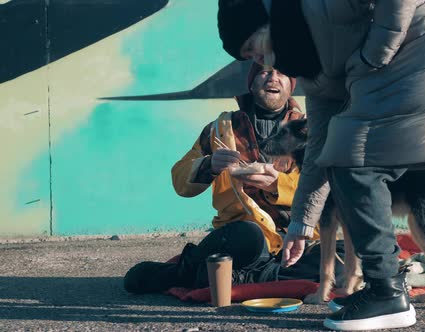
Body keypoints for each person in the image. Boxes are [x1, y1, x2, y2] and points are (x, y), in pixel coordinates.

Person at [217, 0, 425, 330]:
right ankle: (381, 288)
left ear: (265, 24)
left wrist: (375, 52)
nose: (257, 61)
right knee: (342, 161)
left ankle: (387, 294)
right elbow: (319, 152)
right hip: (406, 74)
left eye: (251, 48)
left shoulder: (313, 7)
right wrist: (301, 224)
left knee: (353, 162)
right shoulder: (307, 58)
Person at [124, 63, 344, 294]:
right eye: (264, 72)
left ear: (291, 85)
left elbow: (330, 186)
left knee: (352, 256)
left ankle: (234, 276)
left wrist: (276, 184)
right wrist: (208, 165)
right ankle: (220, 273)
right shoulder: (219, 129)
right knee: (247, 235)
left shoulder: (312, 130)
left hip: (297, 242)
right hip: (244, 240)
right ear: (252, 83)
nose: (273, 78)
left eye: (281, 73)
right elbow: (180, 182)